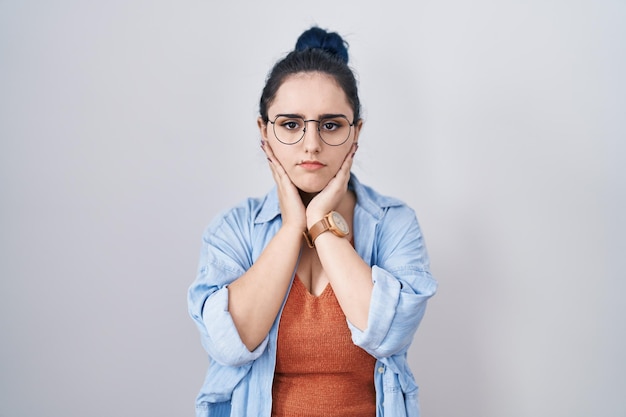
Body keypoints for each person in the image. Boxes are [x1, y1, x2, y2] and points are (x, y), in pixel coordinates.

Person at [188, 26, 437, 417]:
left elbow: (388, 334)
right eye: (290, 124)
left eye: (331, 124)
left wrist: (320, 221)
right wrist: (291, 229)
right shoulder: (232, 229)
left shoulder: (393, 223)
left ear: (356, 131)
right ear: (263, 132)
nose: (311, 144)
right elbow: (227, 343)